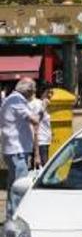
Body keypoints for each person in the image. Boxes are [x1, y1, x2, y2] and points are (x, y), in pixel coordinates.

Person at [1, 78, 40, 219]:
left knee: (13, 186)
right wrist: (43, 107)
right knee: (19, 187)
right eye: (34, 91)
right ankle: (16, 218)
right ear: (29, 91)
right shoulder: (17, 101)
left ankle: (11, 216)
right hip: (17, 150)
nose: (34, 94)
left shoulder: (11, 99)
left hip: (12, 149)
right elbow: (34, 120)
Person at [29, 86, 53, 165]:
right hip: (40, 142)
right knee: (43, 170)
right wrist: (37, 154)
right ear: (42, 93)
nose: (50, 95)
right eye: (48, 92)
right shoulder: (38, 104)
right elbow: (36, 124)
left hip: (44, 141)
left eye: (51, 93)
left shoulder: (41, 104)